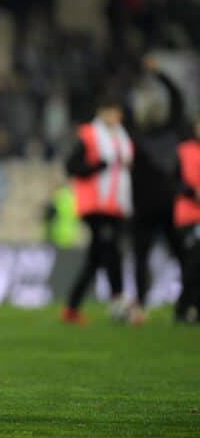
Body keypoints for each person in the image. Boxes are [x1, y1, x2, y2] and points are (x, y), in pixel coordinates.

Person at [61, 96, 133, 325]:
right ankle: (118, 299)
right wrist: (96, 167)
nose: (113, 117)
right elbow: (71, 166)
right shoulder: (89, 135)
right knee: (111, 250)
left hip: (115, 205)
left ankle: (72, 307)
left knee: (96, 258)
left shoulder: (122, 137)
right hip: (95, 205)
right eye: (109, 112)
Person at [126, 68, 186, 323]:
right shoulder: (172, 134)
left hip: (147, 208)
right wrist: (159, 75)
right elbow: (177, 99)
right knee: (184, 258)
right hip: (167, 206)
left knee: (144, 258)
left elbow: (176, 100)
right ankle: (186, 304)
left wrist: (140, 77)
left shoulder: (136, 138)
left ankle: (142, 305)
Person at [173, 115, 200, 323]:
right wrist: (192, 193)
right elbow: (173, 181)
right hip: (189, 215)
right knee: (192, 263)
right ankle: (183, 307)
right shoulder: (183, 150)